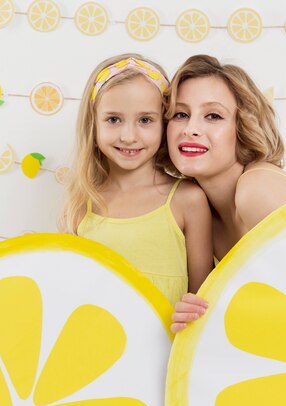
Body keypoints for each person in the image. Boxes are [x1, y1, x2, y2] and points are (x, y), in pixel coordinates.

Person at [164, 54, 286, 332]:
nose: (190, 129)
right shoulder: (196, 209)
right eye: (180, 114)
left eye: (213, 116)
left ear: (242, 127)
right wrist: (194, 315)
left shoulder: (256, 190)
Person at [59, 54, 213, 306]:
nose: (129, 136)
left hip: (167, 344)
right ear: (93, 123)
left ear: (164, 123)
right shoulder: (81, 203)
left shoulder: (188, 200)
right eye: (113, 119)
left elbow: (203, 298)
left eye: (145, 120)